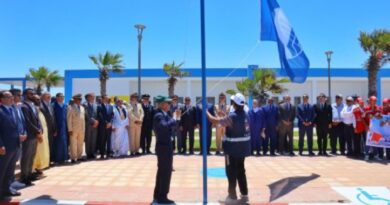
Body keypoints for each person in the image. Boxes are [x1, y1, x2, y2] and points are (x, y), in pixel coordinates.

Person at [206, 93, 251, 203]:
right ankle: (244, 194)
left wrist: (205, 111)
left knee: (231, 172)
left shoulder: (233, 116)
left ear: (234, 104)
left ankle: (232, 197)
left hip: (232, 150)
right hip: (243, 149)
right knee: (241, 170)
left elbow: (214, 120)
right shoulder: (246, 114)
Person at [152, 95, 180, 204]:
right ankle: (162, 196)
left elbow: (173, 125)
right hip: (163, 147)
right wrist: (174, 119)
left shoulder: (164, 114)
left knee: (162, 171)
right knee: (165, 172)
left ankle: (158, 194)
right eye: (168, 103)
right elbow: (164, 127)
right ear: (162, 104)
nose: (169, 105)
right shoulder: (159, 115)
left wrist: (176, 118)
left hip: (166, 146)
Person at [0, 91, 26, 199]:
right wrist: (1, 145)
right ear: (1, 99)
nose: (11, 98)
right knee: (2, 170)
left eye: (11, 96)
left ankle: (7, 189)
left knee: (10, 170)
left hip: (15, 144)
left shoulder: (13, 109)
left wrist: (20, 135)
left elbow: (15, 126)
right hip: (5, 146)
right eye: (8, 96)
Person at [20, 88, 43, 185]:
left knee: (32, 156)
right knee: (26, 156)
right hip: (29, 135)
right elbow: (28, 122)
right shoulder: (24, 106)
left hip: (35, 135)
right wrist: (37, 130)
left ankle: (29, 174)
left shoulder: (33, 105)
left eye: (33, 93)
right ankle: (24, 176)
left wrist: (40, 129)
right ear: (25, 95)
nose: (33, 95)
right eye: (30, 94)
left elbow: (37, 120)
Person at [67, 94, 86, 163]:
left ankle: (79, 156)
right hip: (74, 129)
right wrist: (70, 129)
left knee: (80, 143)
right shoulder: (70, 107)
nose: (79, 101)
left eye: (80, 99)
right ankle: (73, 157)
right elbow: (69, 119)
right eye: (78, 99)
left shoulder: (82, 108)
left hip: (81, 129)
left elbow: (83, 119)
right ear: (74, 99)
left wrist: (84, 129)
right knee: (73, 143)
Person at [33, 94, 50, 172]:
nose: (38, 101)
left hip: (43, 134)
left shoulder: (39, 109)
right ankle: (34, 169)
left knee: (42, 151)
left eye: (39, 99)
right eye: (36, 99)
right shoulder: (32, 109)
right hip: (37, 134)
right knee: (37, 152)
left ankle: (39, 167)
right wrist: (38, 132)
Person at [40, 92, 57, 165]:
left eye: (50, 97)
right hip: (44, 129)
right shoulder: (40, 105)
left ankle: (50, 160)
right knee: (45, 146)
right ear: (43, 97)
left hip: (51, 129)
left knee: (51, 145)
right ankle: (46, 162)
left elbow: (53, 117)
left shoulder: (50, 105)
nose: (49, 98)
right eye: (47, 97)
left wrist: (55, 129)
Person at [52, 93, 68, 164]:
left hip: (64, 126)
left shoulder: (65, 105)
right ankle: (57, 159)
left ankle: (64, 158)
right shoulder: (53, 105)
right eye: (61, 97)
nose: (62, 98)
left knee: (64, 142)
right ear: (57, 97)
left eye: (63, 97)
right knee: (57, 143)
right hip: (56, 126)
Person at [97, 95, 114, 159]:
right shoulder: (99, 106)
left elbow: (112, 115)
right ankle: (102, 154)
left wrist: (110, 123)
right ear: (103, 99)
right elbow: (100, 115)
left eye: (108, 98)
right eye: (106, 98)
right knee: (102, 140)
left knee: (109, 140)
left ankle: (108, 154)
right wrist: (106, 123)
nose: (107, 99)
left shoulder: (111, 106)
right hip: (103, 126)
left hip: (109, 126)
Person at [83, 93, 99, 160]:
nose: (93, 98)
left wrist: (97, 121)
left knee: (93, 140)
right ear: (88, 97)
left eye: (94, 97)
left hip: (95, 125)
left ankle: (93, 153)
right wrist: (93, 121)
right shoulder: (84, 105)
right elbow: (86, 115)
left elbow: (97, 114)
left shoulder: (95, 105)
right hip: (88, 125)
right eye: (92, 97)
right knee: (88, 140)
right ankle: (88, 154)